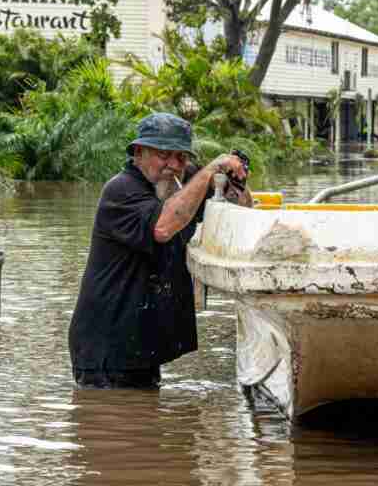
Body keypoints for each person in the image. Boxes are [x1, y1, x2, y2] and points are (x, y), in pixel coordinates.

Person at [69, 112, 250, 388]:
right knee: (114, 422)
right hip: (106, 347)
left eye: (180, 157)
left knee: (146, 418)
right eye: (163, 155)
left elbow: (242, 213)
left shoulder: (184, 182)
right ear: (138, 153)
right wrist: (210, 170)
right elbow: (163, 228)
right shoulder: (120, 190)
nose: (173, 165)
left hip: (140, 344)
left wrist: (236, 182)